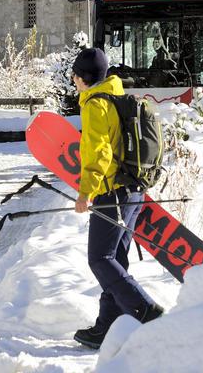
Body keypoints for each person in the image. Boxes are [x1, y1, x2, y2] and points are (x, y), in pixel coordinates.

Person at [71, 47, 163, 350]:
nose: (73, 80)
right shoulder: (115, 95)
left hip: (113, 192)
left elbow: (99, 154)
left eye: (75, 75)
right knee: (116, 259)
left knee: (100, 258)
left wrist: (87, 192)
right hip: (133, 190)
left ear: (84, 78)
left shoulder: (96, 105)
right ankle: (107, 327)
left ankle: (147, 311)